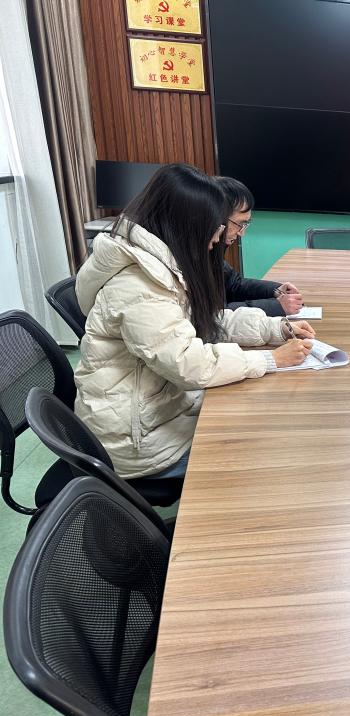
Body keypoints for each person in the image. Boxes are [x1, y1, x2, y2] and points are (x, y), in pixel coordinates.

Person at [75, 164, 316, 480]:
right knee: (259, 449)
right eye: (215, 227)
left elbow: (203, 321)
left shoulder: (158, 265)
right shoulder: (138, 286)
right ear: (187, 225)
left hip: (158, 411)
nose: (218, 238)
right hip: (140, 442)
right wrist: (270, 360)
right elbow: (189, 364)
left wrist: (274, 328)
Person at [216, 176, 304, 317]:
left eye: (245, 225)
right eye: (239, 224)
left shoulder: (212, 249)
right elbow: (214, 315)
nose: (241, 233)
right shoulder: (195, 255)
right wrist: (276, 306)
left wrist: (275, 290)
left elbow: (234, 284)